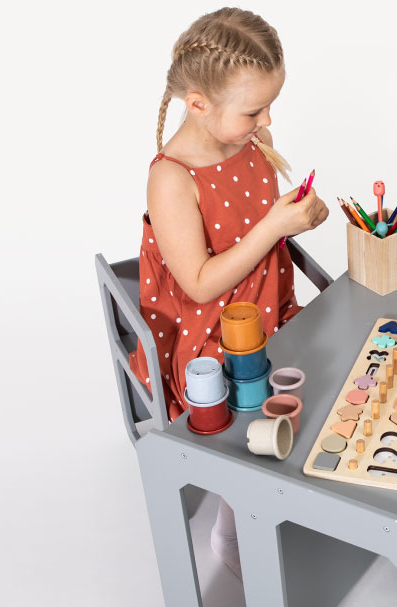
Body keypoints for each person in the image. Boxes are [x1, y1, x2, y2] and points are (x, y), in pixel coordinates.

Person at [130, 8, 328, 576]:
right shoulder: (171, 177)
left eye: (270, 106)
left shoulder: (246, 138)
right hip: (210, 335)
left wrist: (296, 219)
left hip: (272, 305)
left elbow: (260, 229)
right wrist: (273, 228)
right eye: (253, 110)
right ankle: (232, 527)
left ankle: (298, 486)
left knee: (330, 366)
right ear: (198, 103)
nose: (266, 122)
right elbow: (195, 284)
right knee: (246, 413)